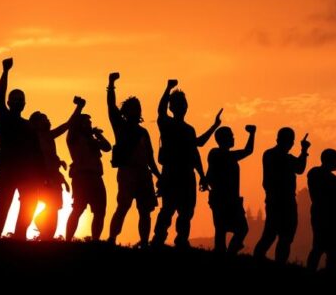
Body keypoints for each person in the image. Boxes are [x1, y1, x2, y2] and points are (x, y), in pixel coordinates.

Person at [151, 79, 222, 248]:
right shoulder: (166, 124)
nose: (183, 106)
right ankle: (158, 240)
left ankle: (181, 240)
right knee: (168, 210)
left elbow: (197, 148)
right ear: (172, 107)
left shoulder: (189, 129)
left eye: (184, 103)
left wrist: (202, 175)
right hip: (171, 173)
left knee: (186, 212)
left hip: (187, 175)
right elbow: (160, 110)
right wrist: (167, 88)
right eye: (179, 103)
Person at [0, 57, 44, 240]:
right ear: (9, 102)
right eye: (14, 99)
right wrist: (5, 72)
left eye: (20, 99)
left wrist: (43, 175)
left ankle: (20, 237)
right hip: (8, 170)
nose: (17, 101)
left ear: (24, 104)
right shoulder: (2, 116)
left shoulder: (29, 125)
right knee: (3, 206)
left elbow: (37, 153)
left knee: (30, 205)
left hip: (28, 174)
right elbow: (0, 92)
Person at [106, 73, 161, 246]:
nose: (137, 110)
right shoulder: (120, 125)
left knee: (145, 211)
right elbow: (110, 105)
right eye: (133, 107)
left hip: (144, 174)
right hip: (127, 172)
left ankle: (144, 242)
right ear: (126, 111)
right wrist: (111, 84)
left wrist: (159, 176)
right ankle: (112, 239)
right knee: (123, 207)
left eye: (138, 107)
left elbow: (150, 158)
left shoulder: (143, 132)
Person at [253, 128, 310, 263]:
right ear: (280, 140)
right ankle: (269, 261)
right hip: (279, 200)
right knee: (275, 235)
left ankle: (270, 261)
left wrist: (303, 151)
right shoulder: (275, 156)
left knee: (281, 236)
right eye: (290, 140)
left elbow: (299, 168)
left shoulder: (270, 154)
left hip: (282, 200)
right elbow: (300, 168)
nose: (291, 144)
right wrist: (303, 151)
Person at [26, 103, 78, 240]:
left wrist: (79, 108)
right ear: (36, 123)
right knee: (40, 206)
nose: (47, 120)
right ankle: (43, 233)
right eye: (44, 118)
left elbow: (67, 125)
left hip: (54, 178)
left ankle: (48, 237)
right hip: (41, 179)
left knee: (54, 208)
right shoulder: (34, 138)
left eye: (47, 118)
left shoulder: (49, 136)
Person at [65, 98, 112, 241]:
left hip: (96, 178)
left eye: (89, 123)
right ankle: (67, 240)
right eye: (86, 123)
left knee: (100, 211)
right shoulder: (73, 138)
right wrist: (79, 107)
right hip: (82, 177)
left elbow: (107, 147)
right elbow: (71, 124)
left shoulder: (92, 140)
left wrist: (98, 134)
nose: (89, 125)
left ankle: (96, 240)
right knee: (78, 209)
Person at [205, 125, 256, 254]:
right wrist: (252, 134)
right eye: (231, 136)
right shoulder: (219, 154)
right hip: (223, 199)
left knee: (226, 229)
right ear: (224, 139)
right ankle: (229, 252)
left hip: (226, 199)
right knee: (235, 229)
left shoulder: (221, 154)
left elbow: (247, 151)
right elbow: (248, 150)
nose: (233, 138)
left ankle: (227, 252)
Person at [306, 149, 336, 274]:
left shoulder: (314, 173)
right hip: (324, 217)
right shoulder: (320, 175)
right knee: (321, 247)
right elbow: (334, 195)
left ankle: (327, 271)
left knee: (328, 249)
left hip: (326, 216)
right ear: (329, 160)